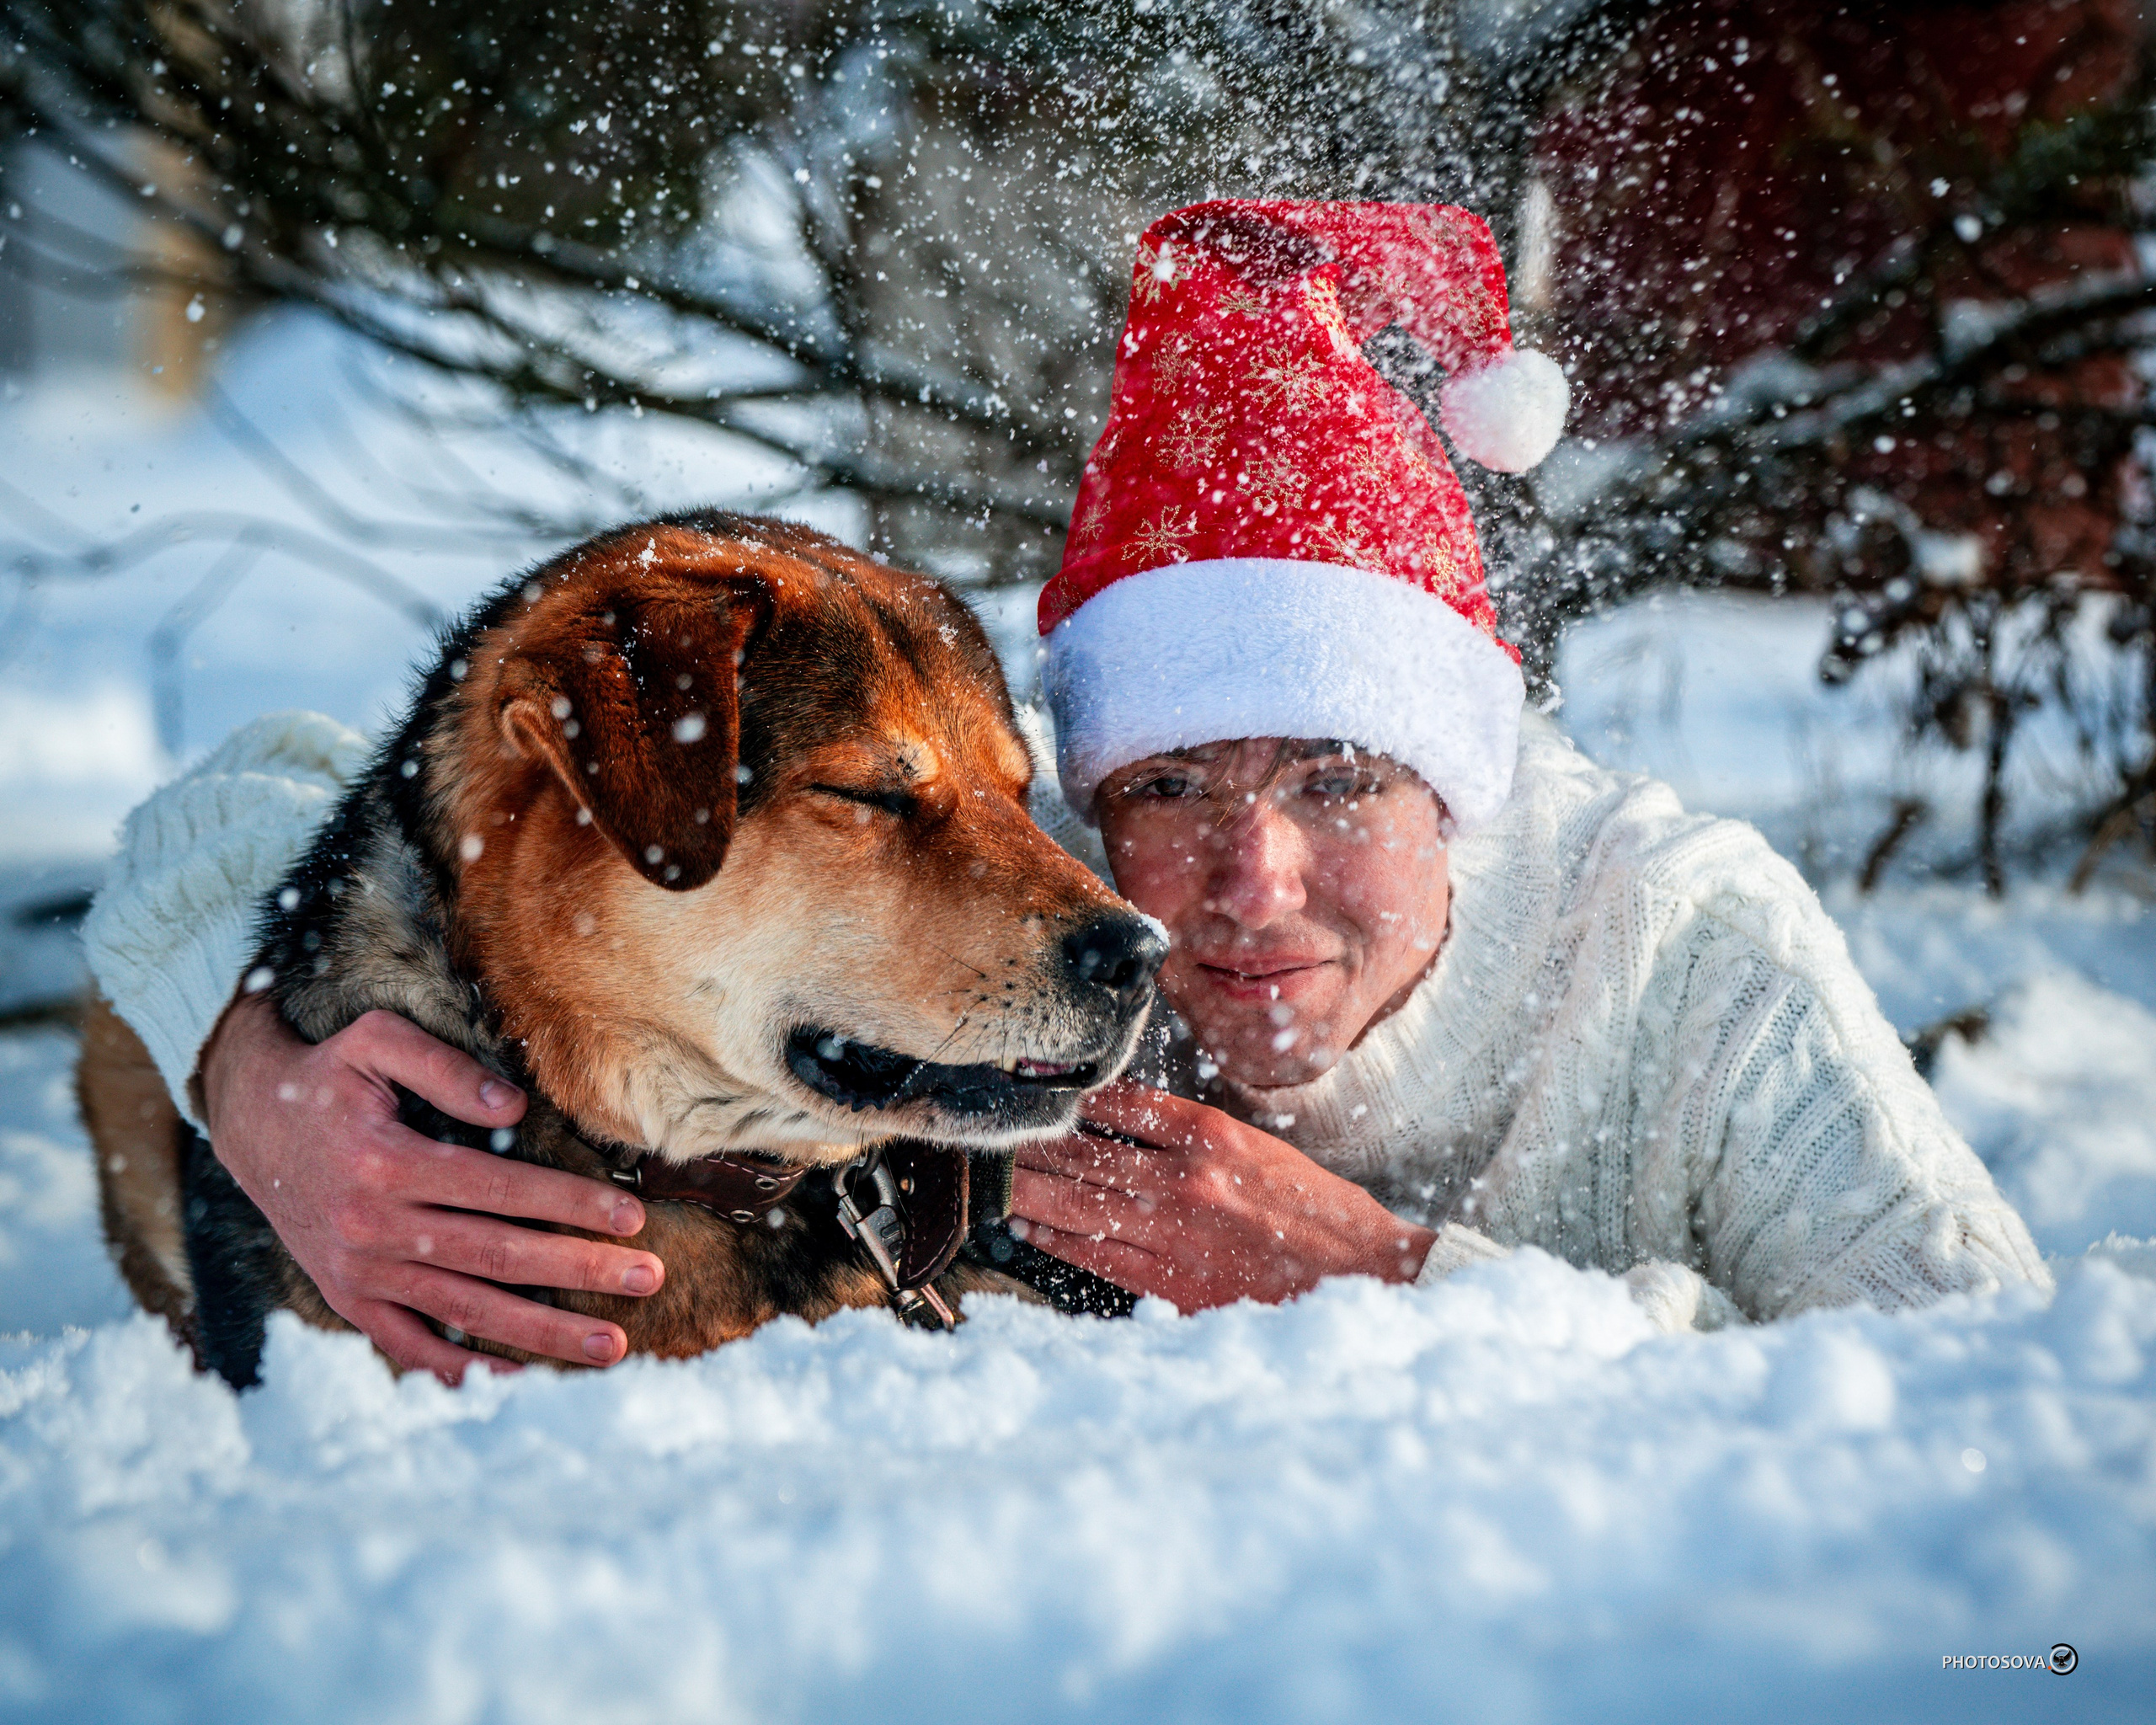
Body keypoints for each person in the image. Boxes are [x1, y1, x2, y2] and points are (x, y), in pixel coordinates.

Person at [84, 200, 2048, 1383]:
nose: (1233, 883)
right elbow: (283, 801)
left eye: (1341, 780)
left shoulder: (1678, 941)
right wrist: (250, 1058)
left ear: (1464, 779)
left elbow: (1983, 1411)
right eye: (1166, 783)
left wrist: (1384, 1281)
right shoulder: (1028, 965)